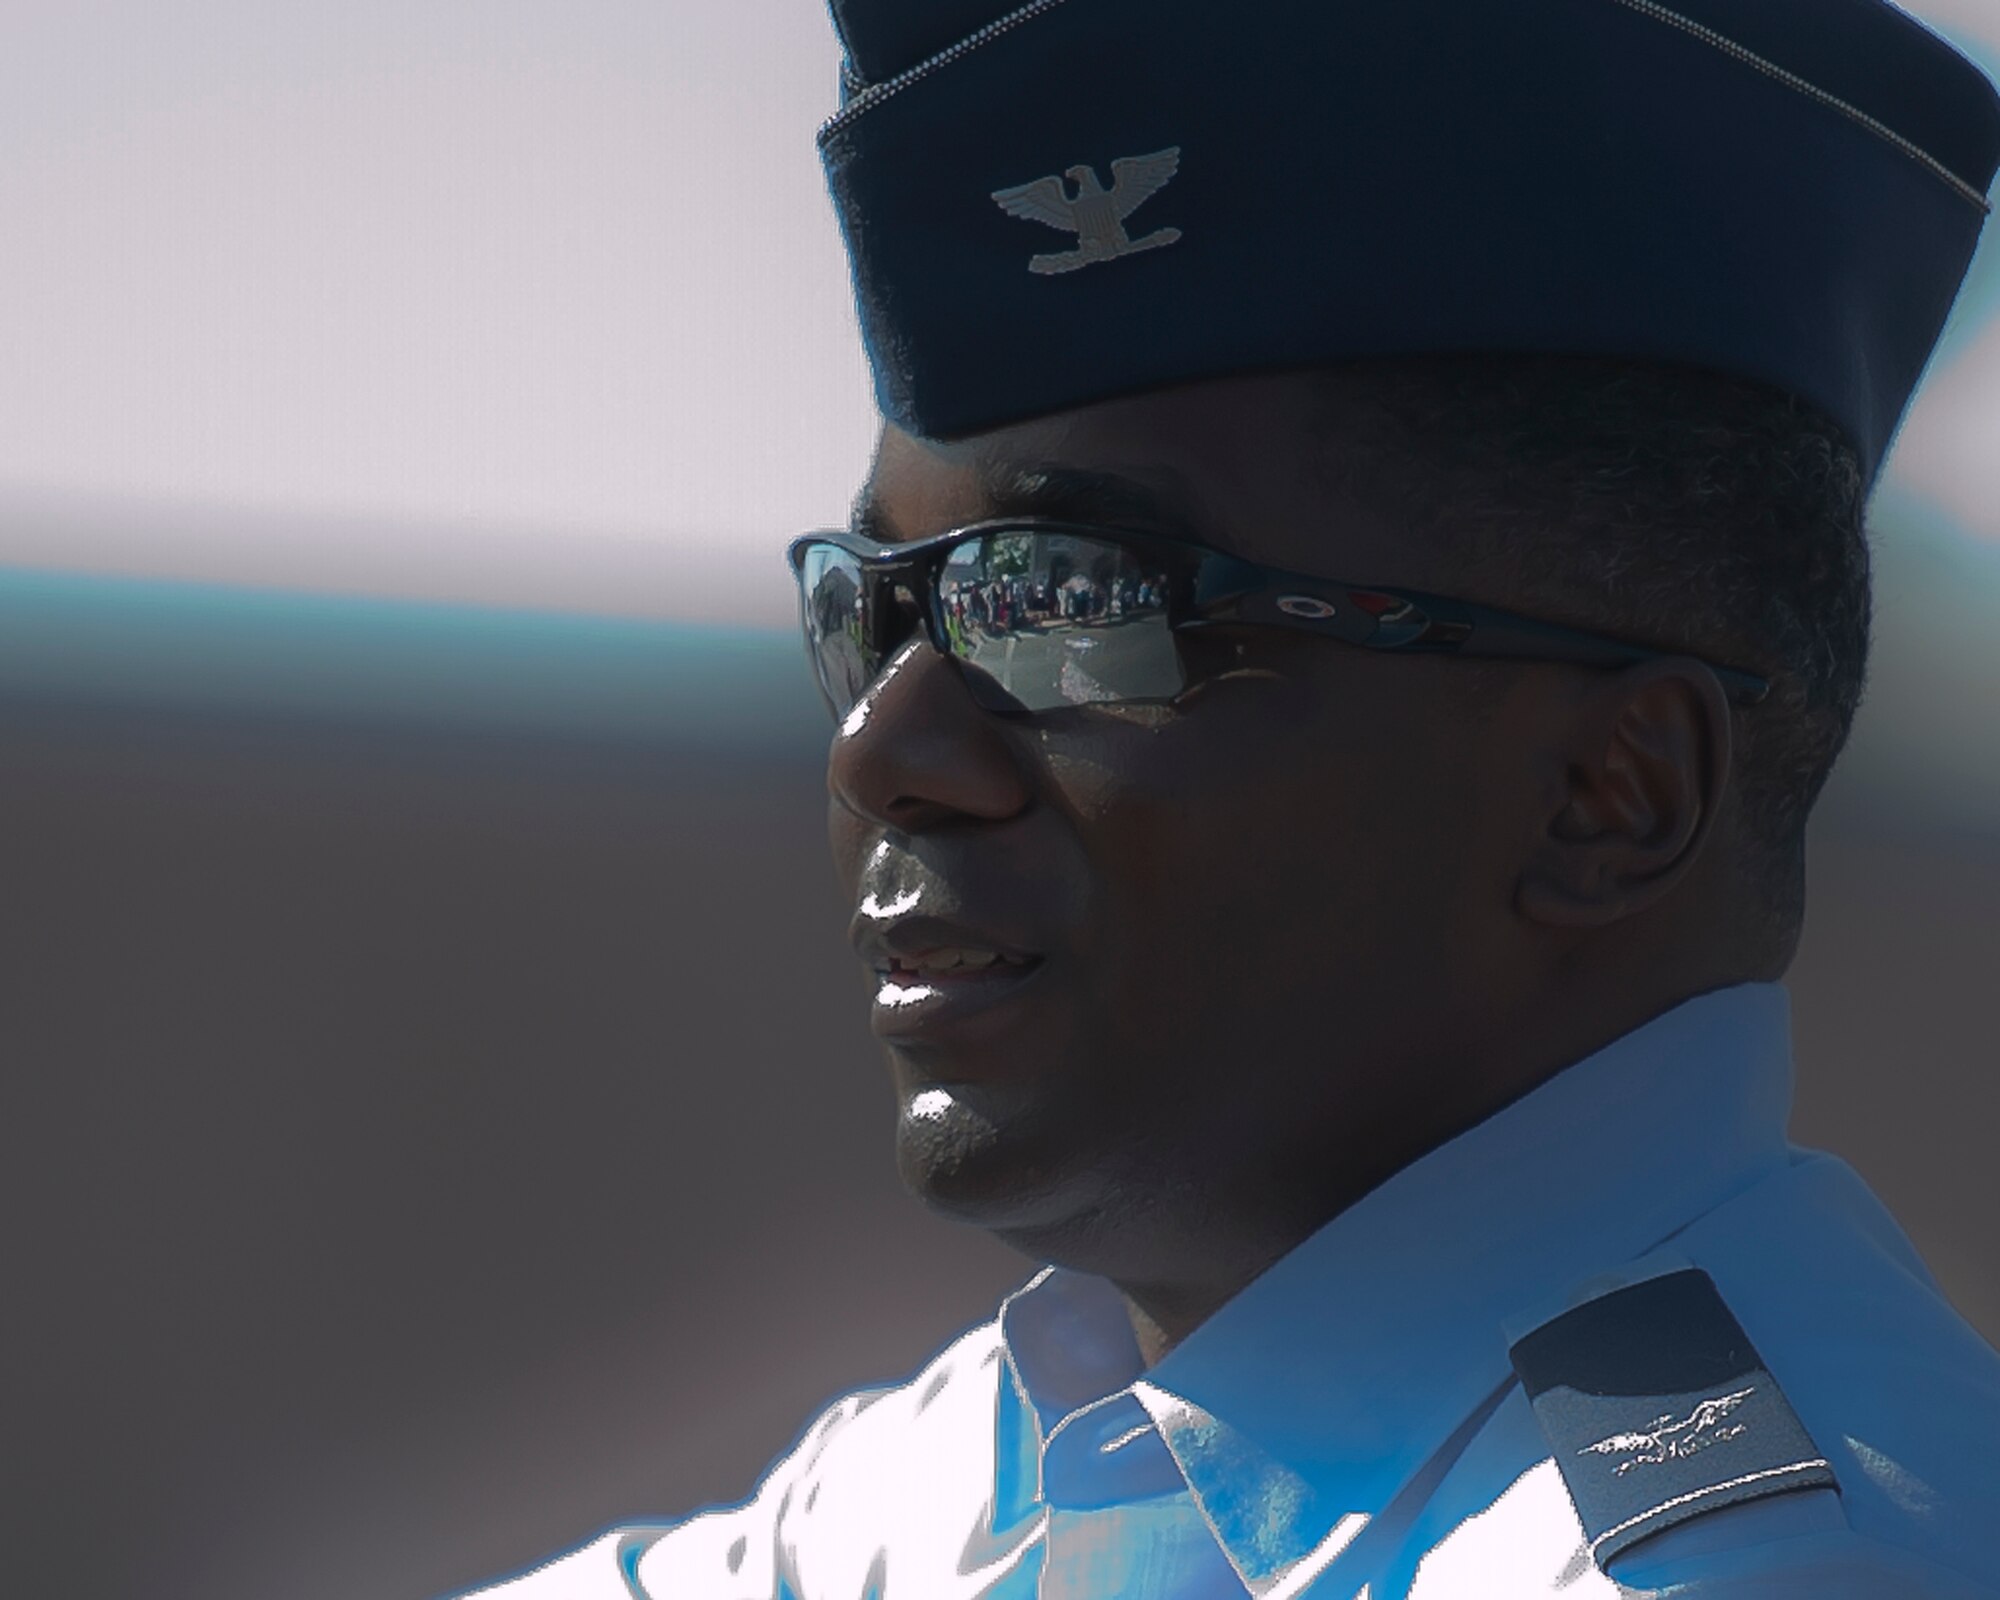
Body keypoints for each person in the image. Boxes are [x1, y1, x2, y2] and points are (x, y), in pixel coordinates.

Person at [461, 0, 2000, 1594]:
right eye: (874, 610)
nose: (884, 752)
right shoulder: (967, 1482)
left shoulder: (1769, 1567)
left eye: (1067, 604)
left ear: (1608, 797)